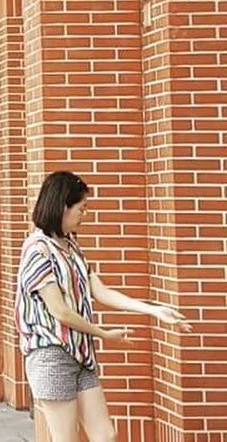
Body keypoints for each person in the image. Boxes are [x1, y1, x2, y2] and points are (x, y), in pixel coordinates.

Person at [16, 170, 190, 442]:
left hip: (81, 354)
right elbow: (60, 311)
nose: (84, 215)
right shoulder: (37, 250)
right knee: (66, 438)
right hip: (51, 355)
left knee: (105, 435)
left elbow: (101, 290)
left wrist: (153, 310)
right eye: (81, 209)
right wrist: (103, 334)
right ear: (62, 205)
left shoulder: (71, 246)